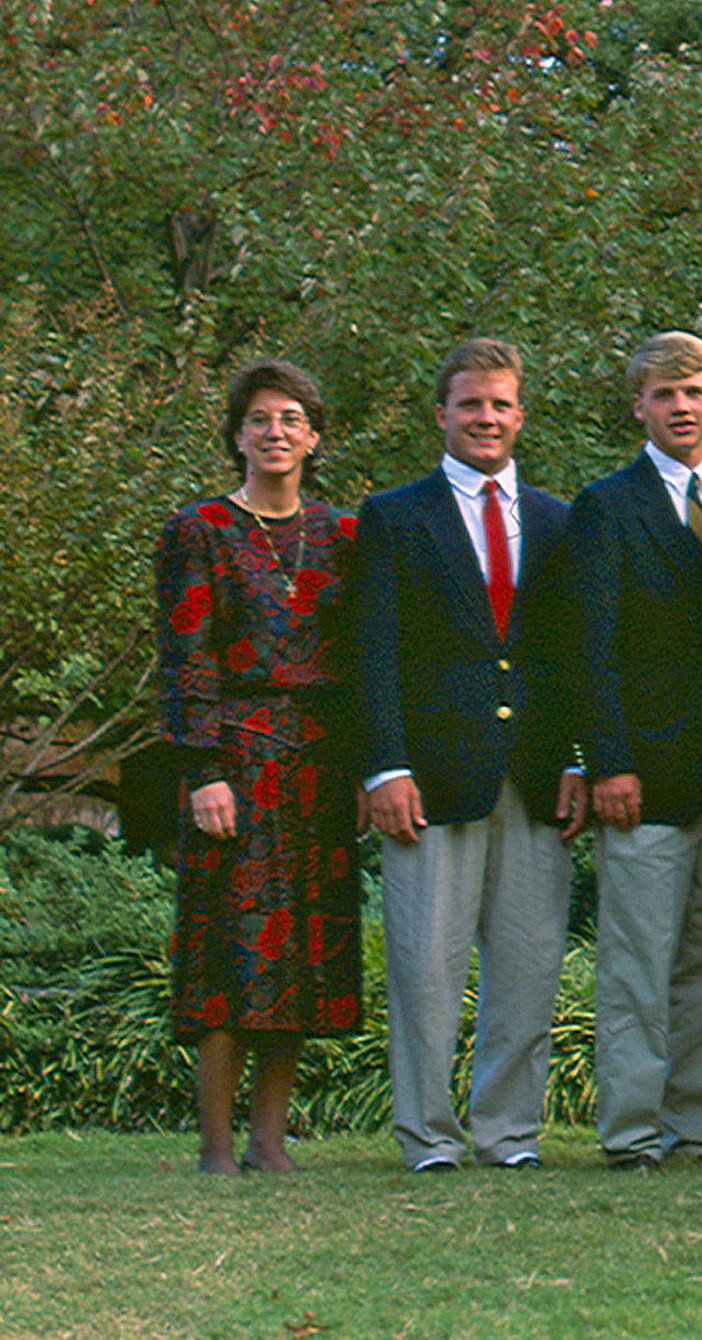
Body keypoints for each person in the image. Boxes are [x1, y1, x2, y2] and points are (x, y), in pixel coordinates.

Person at [353, 338, 586, 1173]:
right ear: (442, 416)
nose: (485, 418)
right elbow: (371, 652)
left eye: (500, 405)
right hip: (430, 778)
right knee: (423, 973)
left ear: (520, 415)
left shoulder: (561, 521)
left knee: (526, 971)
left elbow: (571, 654)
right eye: (469, 405)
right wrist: (384, 766)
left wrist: (578, 760)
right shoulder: (394, 516)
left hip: (534, 776)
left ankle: (509, 1133)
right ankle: (427, 1136)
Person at [155, 359, 361, 1175]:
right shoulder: (199, 529)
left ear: (313, 436)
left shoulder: (345, 536)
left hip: (318, 765)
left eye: (291, 419)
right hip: (233, 759)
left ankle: (270, 1143)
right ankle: (214, 1147)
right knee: (227, 951)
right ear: (237, 434)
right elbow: (184, 654)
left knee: (300, 952)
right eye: (260, 419)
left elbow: (359, 658)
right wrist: (201, 766)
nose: (275, 432)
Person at [568, 331, 702, 1170]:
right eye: (664, 394)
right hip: (643, 767)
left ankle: (698, 1126)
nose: (681, 407)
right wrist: (608, 761)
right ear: (639, 406)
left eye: (695, 391)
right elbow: (590, 646)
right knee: (639, 958)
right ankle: (633, 1131)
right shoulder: (608, 507)